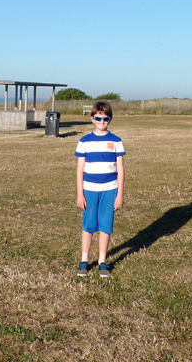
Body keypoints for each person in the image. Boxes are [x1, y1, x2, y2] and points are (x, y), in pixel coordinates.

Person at [75, 101, 125, 278]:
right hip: (89, 190)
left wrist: (120, 194)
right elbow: (80, 169)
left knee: (105, 225)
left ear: (110, 120)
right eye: (98, 118)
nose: (102, 122)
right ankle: (84, 260)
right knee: (88, 225)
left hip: (110, 190)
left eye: (105, 119)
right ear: (92, 119)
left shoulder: (116, 141)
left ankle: (103, 261)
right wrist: (80, 193)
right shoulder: (84, 141)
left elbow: (120, 169)